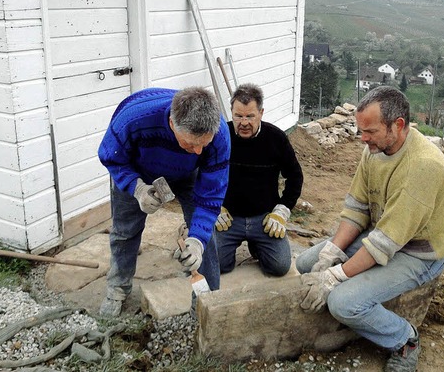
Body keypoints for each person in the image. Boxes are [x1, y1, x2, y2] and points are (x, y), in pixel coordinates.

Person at [296, 86, 444, 372]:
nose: (363, 138)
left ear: (397, 126)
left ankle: (405, 339)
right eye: (361, 130)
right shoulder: (375, 149)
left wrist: (335, 276)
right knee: (307, 262)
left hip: (419, 253)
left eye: (369, 131)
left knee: (342, 302)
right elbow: (357, 209)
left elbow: (384, 242)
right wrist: (331, 253)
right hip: (383, 235)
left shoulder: (423, 166)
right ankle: (360, 312)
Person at [97, 86, 230, 317]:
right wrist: (137, 189)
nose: (198, 150)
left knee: (205, 233)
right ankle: (117, 288)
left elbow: (210, 196)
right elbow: (111, 157)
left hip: (188, 173)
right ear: (171, 124)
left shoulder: (218, 134)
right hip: (138, 170)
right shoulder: (134, 117)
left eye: (203, 145)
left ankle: (207, 298)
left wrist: (197, 240)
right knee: (125, 231)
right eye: (190, 144)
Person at [215, 83, 303, 277]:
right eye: (238, 116)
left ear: (261, 113)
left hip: (264, 218)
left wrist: (282, 210)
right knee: (218, 265)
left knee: (279, 267)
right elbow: (203, 173)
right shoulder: (221, 137)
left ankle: (258, 243)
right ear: (231, 112)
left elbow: (295, 176)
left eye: (250, 116)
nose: (244, 122)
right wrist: (214, 206)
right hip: (229, 218)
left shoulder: (276, 139)